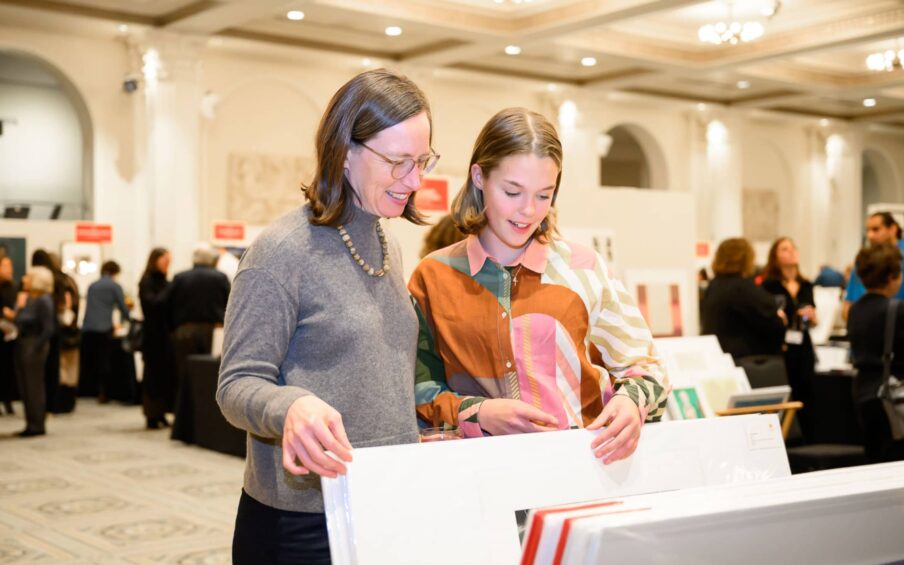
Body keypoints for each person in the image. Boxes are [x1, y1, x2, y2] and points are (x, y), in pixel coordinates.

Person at [217, 68, 437, 564]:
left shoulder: (387, 243)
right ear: (344, 151)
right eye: (399, 162)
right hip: (302, 521)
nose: (416, 180)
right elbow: (235, 386)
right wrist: (291, 406)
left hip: (383, 499)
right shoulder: (281, 252)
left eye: (422, 161)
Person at [408, 108, 669, 464]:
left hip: (584, 469)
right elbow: (419, 390)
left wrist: (629, 401)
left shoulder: (584, 267)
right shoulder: (433, 276)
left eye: (544, 195)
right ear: (479, 177)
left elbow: (646, 367)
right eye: (512, 191)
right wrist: (479, 412)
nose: (529, 211)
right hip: (481, 476)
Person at [846, 243, 904, 462]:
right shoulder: (896, 310)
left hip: (863, 391)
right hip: (892, 396)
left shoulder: (855, 310)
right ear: (891, 276)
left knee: (875, 461)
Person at [166, 244, 230, 434]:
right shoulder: (220, 278)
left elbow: (168, 305)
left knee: (184, 374)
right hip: (214, 331)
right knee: (211, 375)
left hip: (184, 331)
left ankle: (184, 421)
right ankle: (211, 421)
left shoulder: (180, 277)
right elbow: (231, 303)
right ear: (212, 260)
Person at [760, 237, 816, 441]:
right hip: (782, 347)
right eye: (785, 249)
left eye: (793, 248)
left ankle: (809, 438)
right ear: (775, 256)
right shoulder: (769, 286)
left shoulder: (806, 284)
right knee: (785, 389)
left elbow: (813, 319)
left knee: (807, 392)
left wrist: (812, 316)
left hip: (804, 345)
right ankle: (784, 438)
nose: (791, 252)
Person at [701, 238, 786, 362]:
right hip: (744, 360)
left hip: (719, 355)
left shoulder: (714, 285)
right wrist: (780, 319)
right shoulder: (742, 287)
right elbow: (770, 318)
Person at [13, 266, 55, 436]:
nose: (24, 279)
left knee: (34, 386)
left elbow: (48, 328)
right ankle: (30, 422)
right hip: (24, 343)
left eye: (28, 277)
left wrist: (36, 347)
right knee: (25, 386)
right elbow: (19, 319)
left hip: (34, 344)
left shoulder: (44, 300)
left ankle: (37, 424)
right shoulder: (30, 298)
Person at [81, 260, 130, 403]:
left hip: (88, 327)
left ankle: (90, 390)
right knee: (105, 361)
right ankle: (104, 392)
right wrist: (128, 321)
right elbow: (123, 307)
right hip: (104, 328)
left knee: (92, 360)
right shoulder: (115, 286)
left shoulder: (92, 285)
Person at [139, 248, 176, 429]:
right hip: (153, 336)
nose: (168, 263)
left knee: (164, 375)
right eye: (165, 260)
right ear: (155, 260)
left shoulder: (165, 282)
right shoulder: (147, 281)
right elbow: (153, 304)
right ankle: (152, 414)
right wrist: (170, 290)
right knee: (152, 376)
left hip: (165, 335)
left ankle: (161, 412)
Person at [843, 212, 904, 320]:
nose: (870, 236)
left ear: (892, 229)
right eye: (868, 230)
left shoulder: (900, 257)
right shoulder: (864, 261)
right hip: (868, 328)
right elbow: (848, 308)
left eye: (876, 229)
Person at [0, 255, 18, 415]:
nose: (9, 269)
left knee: (8, 369)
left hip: (10, 335)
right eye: (5, 266)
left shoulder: (13, 287)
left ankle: (8, 400)